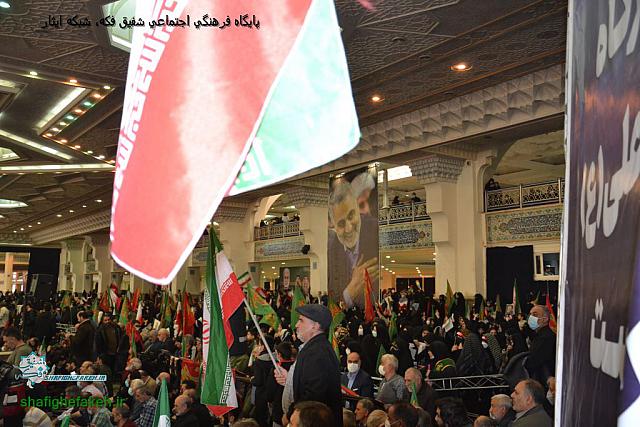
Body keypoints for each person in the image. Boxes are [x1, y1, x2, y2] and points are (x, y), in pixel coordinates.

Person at [274, 304, 342, 427]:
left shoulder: (317, 353)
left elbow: (313, 395)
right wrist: (289, 378)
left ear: (315, 326)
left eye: (301, 320)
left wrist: (290, 415)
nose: (296, 325)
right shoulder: (315, 348)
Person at [327, 180, 379, 310]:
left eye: (351, 216)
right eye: (341, 224)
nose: (349, 228)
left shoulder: (375, 231)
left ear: (358, 210)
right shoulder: (331, 250)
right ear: (333, 226)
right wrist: (349, 292)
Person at [524, 305, 556, 385]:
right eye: (530, 314)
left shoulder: (546, 337)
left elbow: (535, 361)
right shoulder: (539, 335)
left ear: (545, 319)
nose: (531, 317)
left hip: (544, 382)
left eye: (535, 314)